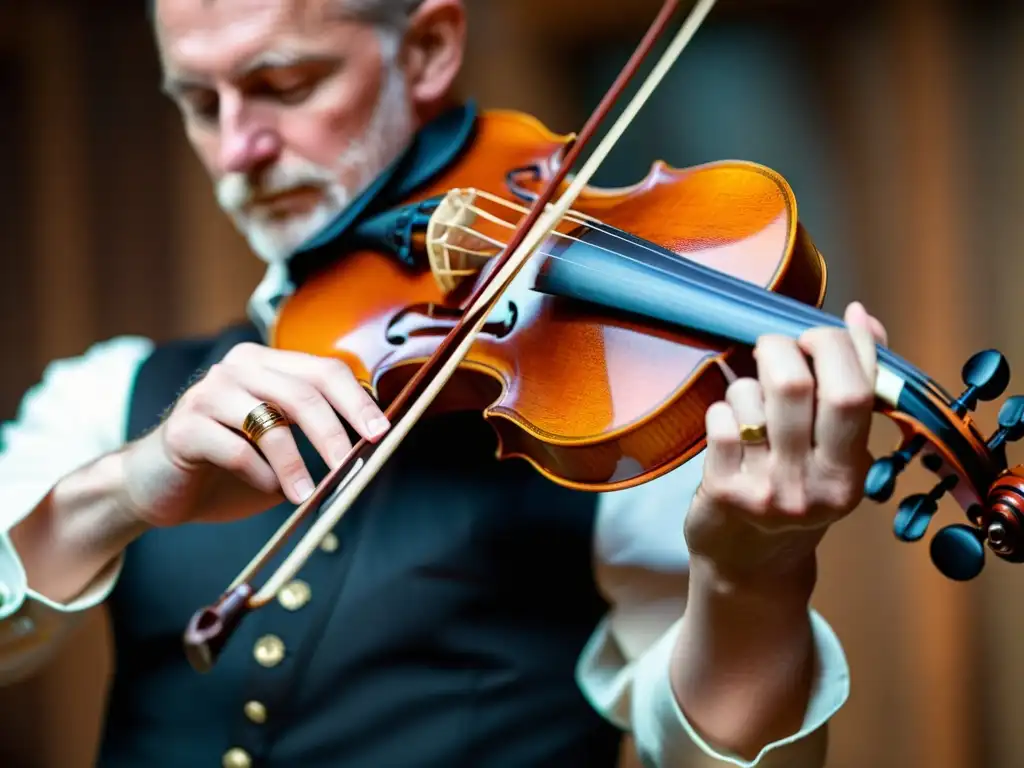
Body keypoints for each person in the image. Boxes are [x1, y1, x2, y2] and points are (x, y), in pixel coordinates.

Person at [0, 0, 886, 766]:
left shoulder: (604, 415)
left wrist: (755, 579)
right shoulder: (108, 392)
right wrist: (122, 490)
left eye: (286, 84)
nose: (238, 151)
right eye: (199, 104)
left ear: (426, 50)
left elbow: (715, 757)